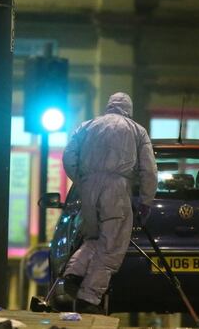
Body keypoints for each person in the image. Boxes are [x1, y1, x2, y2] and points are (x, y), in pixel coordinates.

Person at [61, 92, 158, 314]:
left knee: (93, 237)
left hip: (88, 188)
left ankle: (74, 274)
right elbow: (149, 171)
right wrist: (145, 200)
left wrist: (82, 179)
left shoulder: (87, 126)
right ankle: (89, 298)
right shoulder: (137, 131)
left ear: (109, 106)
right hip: (116, 190)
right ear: (129, 110)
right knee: (111, 247)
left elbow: (68, 157)